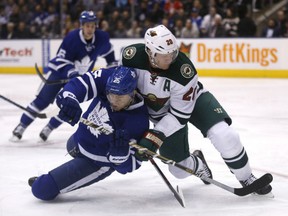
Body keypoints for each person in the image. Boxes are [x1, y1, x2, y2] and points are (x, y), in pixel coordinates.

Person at [119, 25, 272, 195]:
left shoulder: (183, 71)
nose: (170, 58)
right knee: (179, 171)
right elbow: (121, 88)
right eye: (165, 55)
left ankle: (246, 177)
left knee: (225, 135)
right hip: (161, 115)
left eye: (172, 53)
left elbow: (179, 116)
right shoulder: (130, 57)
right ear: (150, 52)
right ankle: (197, 163)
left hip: (194, 100)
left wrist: (155, 136)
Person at [28, 66, 149, 200]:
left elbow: (134, 163)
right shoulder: (106, 81)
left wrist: (120, 159)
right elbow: (79, 84)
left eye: (119, 97)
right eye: (111, 95)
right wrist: (69, 99)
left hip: (96, 162)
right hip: (78, 142)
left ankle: (51, 181)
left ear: (132, 93)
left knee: (42, 189)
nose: (114, 101)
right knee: (70, 145)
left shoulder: (138, 121)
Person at [11, 10, 117, 142]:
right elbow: (61, 59)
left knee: (69, 105)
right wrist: (71, 71)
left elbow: (109, 52)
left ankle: (49, 128)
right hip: (59, 73)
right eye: (87, 25)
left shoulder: (102, 38)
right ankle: (21, 126)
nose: (90, 28)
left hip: (79, 80)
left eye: (92, 25)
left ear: (96, 25)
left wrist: (113, 68)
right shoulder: (72, 37)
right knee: (42, 101)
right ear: (82, 25)